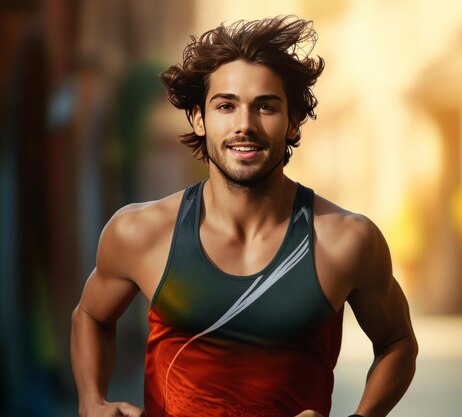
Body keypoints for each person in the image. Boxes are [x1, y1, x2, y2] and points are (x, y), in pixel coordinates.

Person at [70, 15, 418, 417]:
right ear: (200, 119)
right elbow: (91, 316)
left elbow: (397, 343)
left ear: (292, 122)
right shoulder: (140, 232)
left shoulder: (346, 240)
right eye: (226, 105)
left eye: (266, 106)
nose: (244, 125)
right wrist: (91, 401)